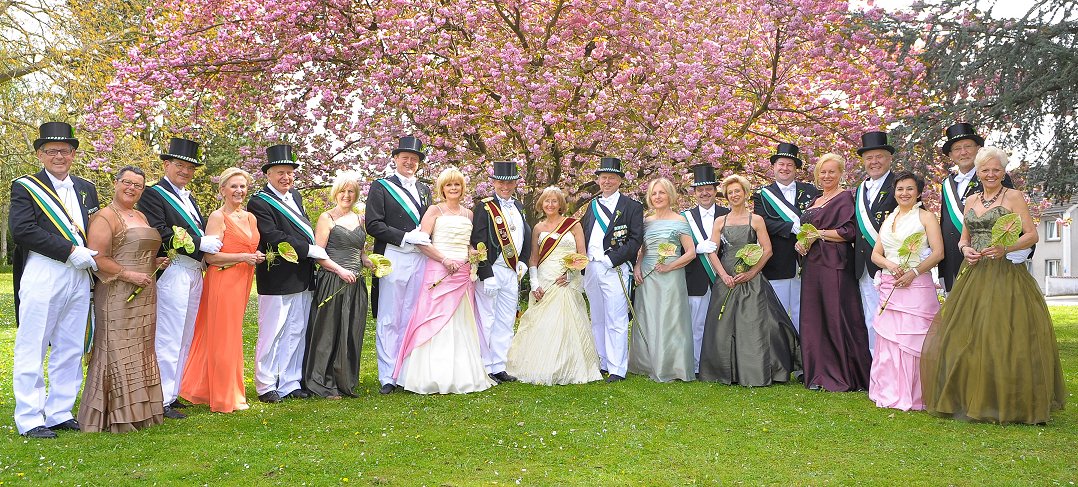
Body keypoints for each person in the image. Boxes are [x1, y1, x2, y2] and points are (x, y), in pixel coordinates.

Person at [921, 147, 1066, 424]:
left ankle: (1006, 400)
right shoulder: (971, 200)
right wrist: (965, 250)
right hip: (974, 273)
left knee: (1003, 334)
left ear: (1003, 171)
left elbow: (1032, 235)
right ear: (978, 172)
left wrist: (1005, 248)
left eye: (996, 169)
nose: (990, 174)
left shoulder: (1014, 197)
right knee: (965, 335)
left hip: (1005, 274)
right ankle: (967, 397)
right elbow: (964, 238)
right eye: (985, 170)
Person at [10, 122, 101, 438]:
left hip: (80, 273)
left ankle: (60, 411)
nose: (58, 156)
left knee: (71, 344)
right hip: (45, 270)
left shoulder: (87, 187)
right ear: (40, 154)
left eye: (65, 150)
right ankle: (29, 417)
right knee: (33, 343)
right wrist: (69, 251)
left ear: (73, 154)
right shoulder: (25, 187)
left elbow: (96, 228)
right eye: (51, 151)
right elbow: (22, 230)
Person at [137, 137, 222, 420]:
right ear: (167, 165)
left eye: (190, 168)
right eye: (180, 165)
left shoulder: (189, 197)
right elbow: (159, 231)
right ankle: (159, 398)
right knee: (168, 336)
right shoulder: (153, 194)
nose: (185, 171)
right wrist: (199, 243)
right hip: (173, 269)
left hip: (194, 270)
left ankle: (172, 393)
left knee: (185, 335)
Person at [78, 166, 167, 432]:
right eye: (127, 182)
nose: (131, 188)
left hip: (145, 292)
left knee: (141, 348)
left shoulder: (140, 215)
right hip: (117, 293)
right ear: (116, 183)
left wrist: (155, 262)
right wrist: (129, 275)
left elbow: (137, 251)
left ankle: (141, 412)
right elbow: (97, 258)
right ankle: (115, 414)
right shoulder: (105, 217)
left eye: (138, 185)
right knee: (117, 349)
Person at [392, 168, 495, 394]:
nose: (453, 188)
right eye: (449, 185)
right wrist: (444, 259)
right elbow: (422, 241)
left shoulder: (469, 214)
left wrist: (473, 254)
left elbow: (469, 243)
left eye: (457, 184)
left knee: (460, 321)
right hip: (439, 270)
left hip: (462, 273)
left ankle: (461, 374)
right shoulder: (434, 210)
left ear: (462, 188)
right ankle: (430, 375)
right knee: (435, 318)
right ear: (442, 188)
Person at [700, 174, 800, 386]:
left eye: (737, 191)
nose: (734, 195)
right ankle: (725, 371)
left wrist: (752, 273)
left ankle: (755, 370)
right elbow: (712, 251)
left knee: (754, 323)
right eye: (730, 192)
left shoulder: (756, 220)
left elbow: (767, 250)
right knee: (723, 325)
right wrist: (723, 275)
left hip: (750, 278)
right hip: (726, 277)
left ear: (745, 193)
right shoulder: (720, 221)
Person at [248, 145, 328, 403]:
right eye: (280, 172)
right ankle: (266, 385)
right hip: (277, 276)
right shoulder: (259, 202)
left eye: (290, 172)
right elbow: (272, 236)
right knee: (273, 332)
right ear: (268, 174)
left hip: (302, 274)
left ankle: (290, 382)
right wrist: (309, 249)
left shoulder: (295, 196)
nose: (286, 177)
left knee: (296, 330)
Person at [180, 168, 264, 413]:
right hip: (223, 280)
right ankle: (225, 396)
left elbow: (249, 246)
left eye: (243, 186)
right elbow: (210, 257)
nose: (239, 191)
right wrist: (243, 257)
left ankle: (217, 389)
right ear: (222, 190)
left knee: (232, 335)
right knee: (224, 337)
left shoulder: (251, 217)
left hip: (243, 279)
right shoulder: (218, 217)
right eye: (234, 186)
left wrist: (254, 255)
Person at [505, 187, 602, 385]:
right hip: (545, 278)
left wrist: (570, 274)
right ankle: (539, 364)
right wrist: (534, 283)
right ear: (541, 204)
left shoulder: (573, 225)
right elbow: (533, 258)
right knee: (542, 323)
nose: (550, 204)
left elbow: (582, 255)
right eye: (546, 201)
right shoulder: (538, 228)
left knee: (567, 322)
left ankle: (568, 365)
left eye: (554, 201)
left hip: (565, 279)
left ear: (560, 204)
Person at [796, 153, 872, 392]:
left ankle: (843, 374)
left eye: (832, 171)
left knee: (836, 315)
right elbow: (807, 232)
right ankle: (818, 373)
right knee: (814, 317)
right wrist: (801, 243)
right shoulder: (815, 199)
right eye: (823, 172)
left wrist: (818, 234)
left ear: (841, 173)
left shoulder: (846, 198)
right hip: (812, 265)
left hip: (835, 264)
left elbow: (849, 232)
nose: (827, 176)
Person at [868, 172, 944, 411]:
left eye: (910, 188)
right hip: (890, 285)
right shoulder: (888, 219)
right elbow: (876, 254)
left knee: (914, 340)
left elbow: (938, 253)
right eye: (900, 189)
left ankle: (916, 394)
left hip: (917, 286)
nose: (904, 193)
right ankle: (890, 390)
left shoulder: (926, 217)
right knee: (890, 340)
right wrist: (890, 265)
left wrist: (914, 272)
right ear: (894, 192)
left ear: (919, 192)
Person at [365, 136, 433, 394]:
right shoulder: (381, 187)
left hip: (420, 257)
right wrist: (405, 237)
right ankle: (387, 375)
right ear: (395, 159)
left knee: (413, 314)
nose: (409, 162)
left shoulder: (424, 189)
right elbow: (373, 224)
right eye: (405, 157)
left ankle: (406, 372)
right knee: (390, 316)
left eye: (414, 159)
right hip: (393, 255)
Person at [303, 173, 372, 398]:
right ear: (336, 193)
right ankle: (321, 381)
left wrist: (368, 261)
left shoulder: (360, 219)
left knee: (350, 330)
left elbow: (360, 251)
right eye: (342, 191)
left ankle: (344, 380)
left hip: (355, 284)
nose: (346, 195)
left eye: (351, 191)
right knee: (328, 331)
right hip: (333, 281)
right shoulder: (327, 218)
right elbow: (318, 254)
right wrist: (340, 271)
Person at [936, 122, 1025, 292]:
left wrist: (1019, 250)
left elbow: (1015, 219)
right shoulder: (947, 184)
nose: (963, 152)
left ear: (978, 149)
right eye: (957, 148)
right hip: (955, 260)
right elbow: (945, 224)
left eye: (968, 146)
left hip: (991, 263)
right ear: (951, 155)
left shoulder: (994, 177)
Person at [581, 157, 644, 383]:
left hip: (614, 267)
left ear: (620, 181)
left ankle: (617, 368)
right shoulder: (592, 206)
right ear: (598, 180)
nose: (607, 181)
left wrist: (612, 259)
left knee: (616, 318)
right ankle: (602, 362)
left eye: (611, 178)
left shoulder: (632, 207)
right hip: (591, 267)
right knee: (597, 316)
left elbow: (635, 240)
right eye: (603, 177)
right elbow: (584, 234)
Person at [628, 178, 696, 382]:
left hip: (671, 275)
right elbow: (643, 250)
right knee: (647, 316)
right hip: (647, 275)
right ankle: (645, 364)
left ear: (670, 195)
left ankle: (671, 366)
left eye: (662, 193)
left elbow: (691, 253)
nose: (657, 197)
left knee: (669, 317)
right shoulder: (646, 221)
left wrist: (669, 266)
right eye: (654, 193)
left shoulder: (680, 220)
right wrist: (638, 266)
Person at [472, 161, 531, 384]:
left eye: (509, 182)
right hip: (493, 271)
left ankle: (499, 365)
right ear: (494, 183)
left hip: (512, 272)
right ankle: (485, 366)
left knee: (506, 320)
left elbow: (524, 235)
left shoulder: (519, 206)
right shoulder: (485, 207)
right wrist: (486, 273)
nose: (505, 186)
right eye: (500, 182)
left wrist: (523, 261)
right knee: (487, 319)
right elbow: (478, 241)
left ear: (515, 183)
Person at [752, 143, 821, 332]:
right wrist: (790, 227)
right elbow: (761, 222)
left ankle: (805, 348)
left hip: (809, 259)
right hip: (777, 262)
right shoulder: (762, 195)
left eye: (790, 165)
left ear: (796, 168)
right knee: (777, 313)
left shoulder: (811, 191)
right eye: (781, 164)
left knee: (805, 311)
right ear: (774, 167)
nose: (785, 168)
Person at [852, 131, 897, 356]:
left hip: (891, 264)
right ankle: (874, 364)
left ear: (889, 158)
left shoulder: (900, 184)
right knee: (871, 316)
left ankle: (893, 363)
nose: (874, 162)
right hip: (864, 265)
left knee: (892, 316)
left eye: (879, 156)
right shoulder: (860, 189)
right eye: (869, 158)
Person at [682, 163, 730, 373]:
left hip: (724, 276)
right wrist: (696, 248)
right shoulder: (684, 217)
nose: (704, 193)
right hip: (696, 277)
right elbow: (677, 248)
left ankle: (722, 364)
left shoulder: (728, 214)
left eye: (708, 189)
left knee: (724, 323)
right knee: (697, 324)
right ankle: (696, 366)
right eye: (700, 189)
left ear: (715, 190)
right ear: (694, 192)